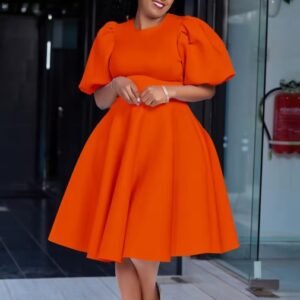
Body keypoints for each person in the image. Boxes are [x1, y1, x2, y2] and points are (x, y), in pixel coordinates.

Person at [48, 0, 240, 299]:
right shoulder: (112, 34)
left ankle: (150, 293)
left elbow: (208, 89)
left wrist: (167, 91)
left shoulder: (187, 30)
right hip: (121, 141)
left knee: (142, 228)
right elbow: (100, 100)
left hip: (168, 142)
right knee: (121, 238)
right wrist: (117, 83)